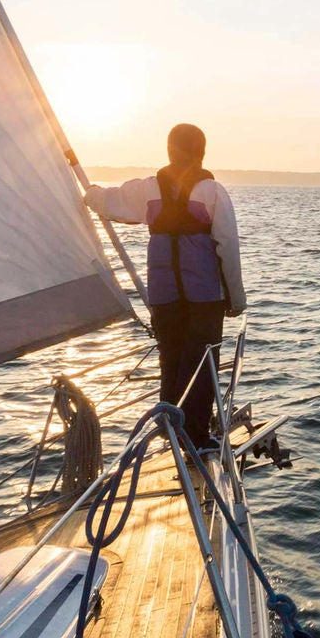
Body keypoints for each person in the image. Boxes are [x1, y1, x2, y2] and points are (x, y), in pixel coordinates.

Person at [82, 123, 247, 447]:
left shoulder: (147, 190)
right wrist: (236, 298)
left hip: (164, 297)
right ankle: (196, 436)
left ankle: (171, 431)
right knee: (202, 363)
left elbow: (107, 201)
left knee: (170, 361)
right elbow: (228, 245)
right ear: (201, 153)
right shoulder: (212, 192)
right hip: (203, 299)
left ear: (170, 151)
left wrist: (90, 194)